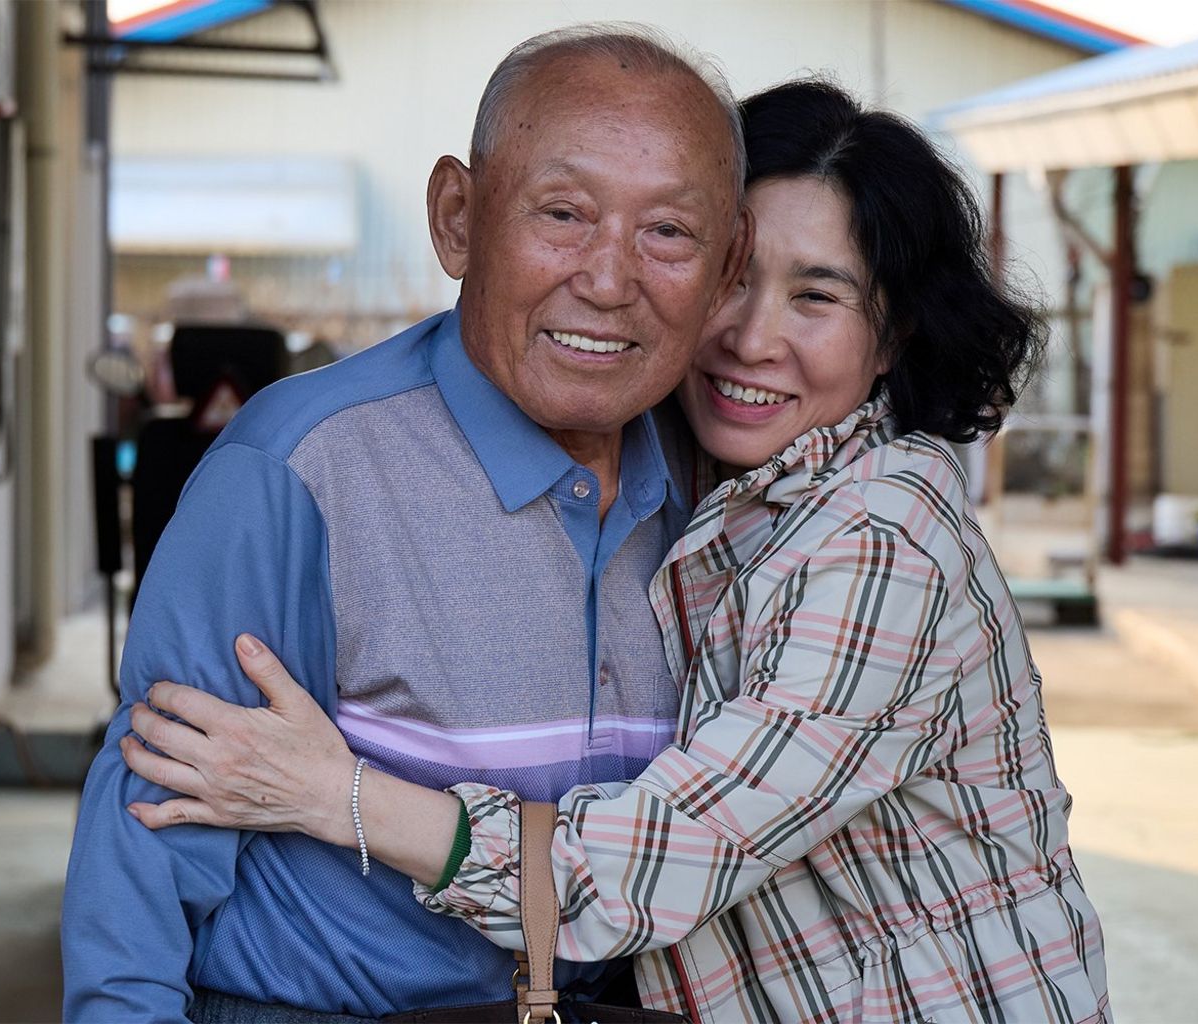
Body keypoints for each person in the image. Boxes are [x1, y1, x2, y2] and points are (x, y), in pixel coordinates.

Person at [122, 80, 1113, 1022]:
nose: (752, 338)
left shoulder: (884, 535)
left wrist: (334, 795)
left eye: (817, 297)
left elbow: (645, 870)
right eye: (733, 274)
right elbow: (143, 829)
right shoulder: (690, 482)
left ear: (890, 335)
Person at [61, 25, 750, 1022]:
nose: (609, 279)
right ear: (458, 218)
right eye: (563, 212)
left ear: (729, 267)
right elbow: (146, 845)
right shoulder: (300, 468)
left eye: (669, 234)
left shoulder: (720, 491)